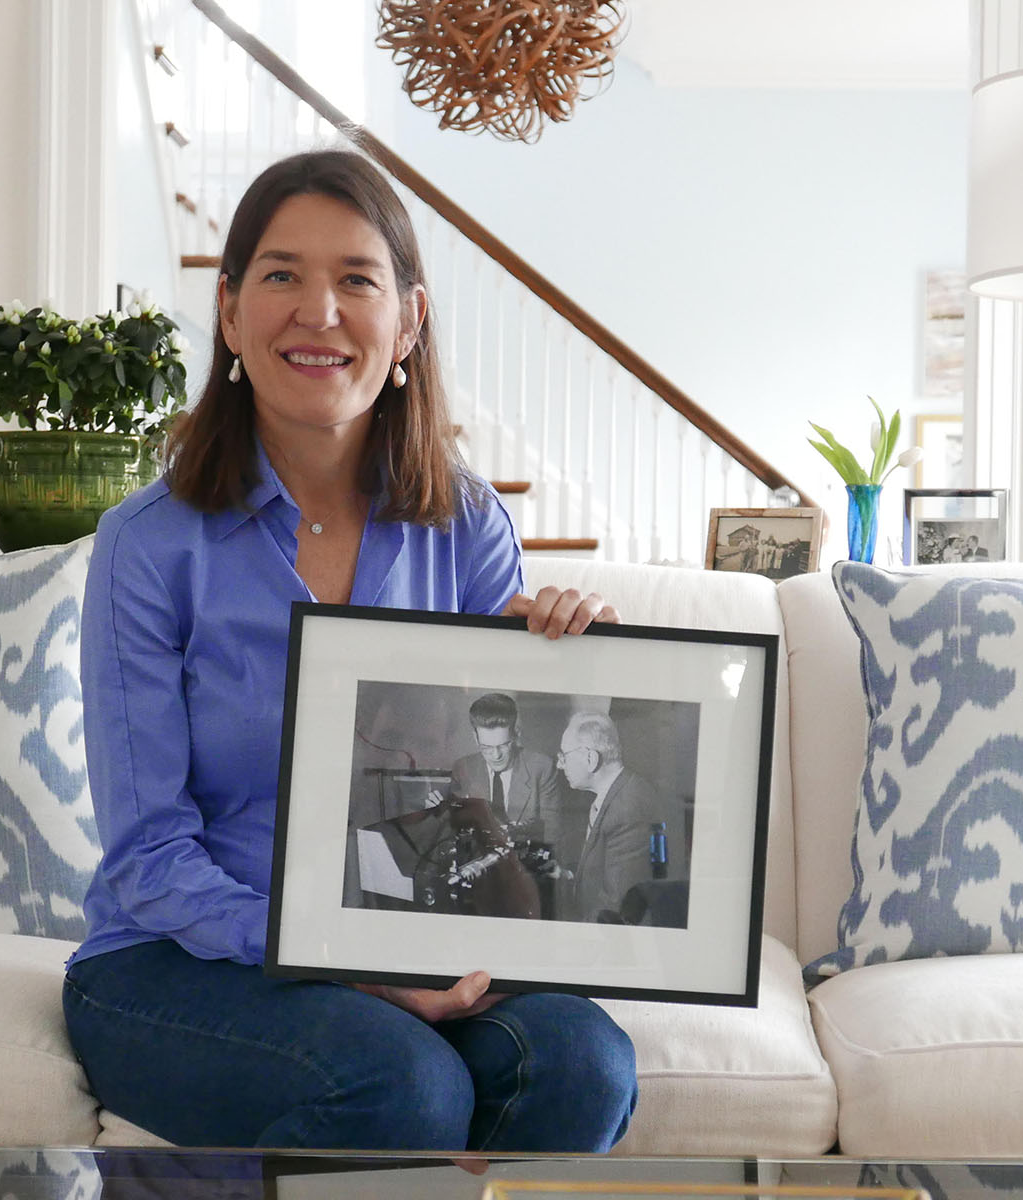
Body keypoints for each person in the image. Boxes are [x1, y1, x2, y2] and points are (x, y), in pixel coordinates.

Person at [64, 150, 638, 1154]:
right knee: (398, 1084)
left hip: (417, 937)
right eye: (282, 275)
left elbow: (485, 790)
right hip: (185, 960)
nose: (318, 311)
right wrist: (348, 964)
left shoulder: (467, 525)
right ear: (231, 312)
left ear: (408, 322)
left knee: (581, 1065)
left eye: (356, 280)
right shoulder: (149, 544)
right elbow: (150, 858)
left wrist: (572, 667)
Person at [555, 711, 685, 926]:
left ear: (590, 758)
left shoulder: (628, 809)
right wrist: (567, 875)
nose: (560, 765)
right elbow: (606, 871)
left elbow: (614, 909)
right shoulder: (616, 793)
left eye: (564, 756)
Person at [447, 693, 564, 838]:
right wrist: (439, 814)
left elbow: (552, 835)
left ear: (516, 735)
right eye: (486, 747)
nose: (496, 756)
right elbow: (454, 830)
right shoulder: (462, 768)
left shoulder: (542, 768)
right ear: (475, 738)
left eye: (503, 745)